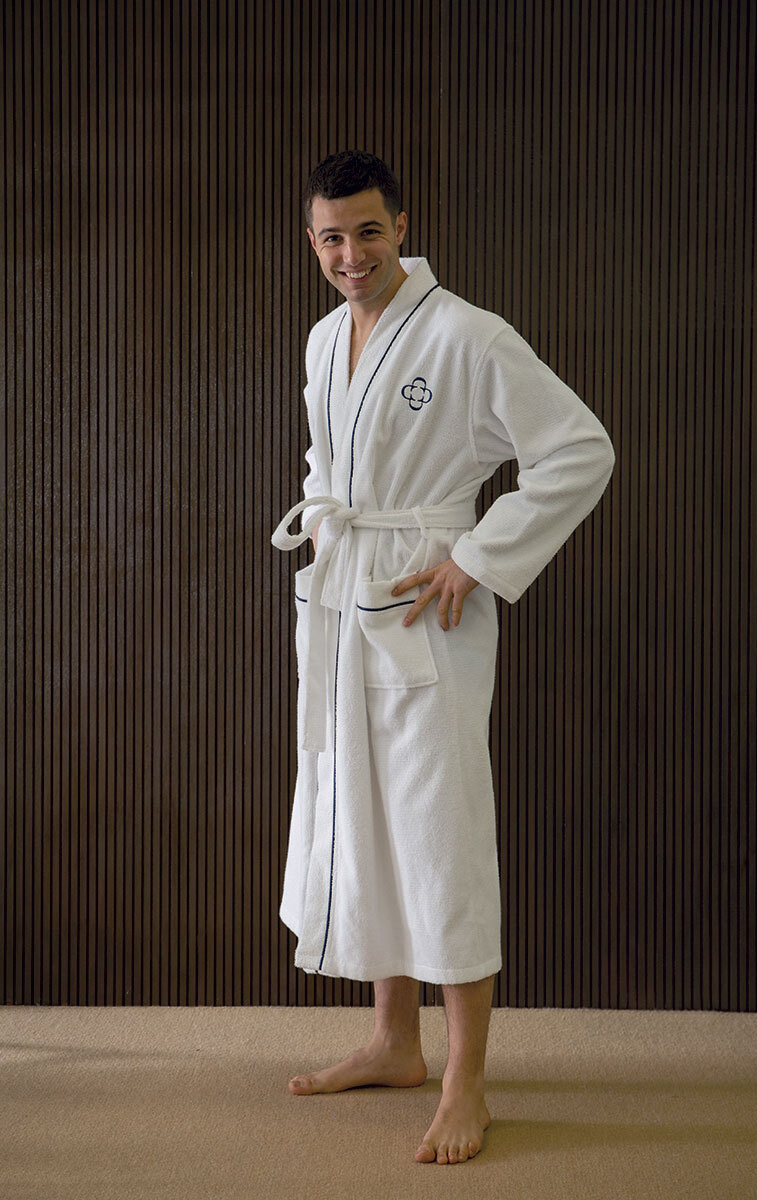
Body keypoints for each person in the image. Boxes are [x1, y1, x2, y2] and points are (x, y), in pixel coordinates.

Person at [271, 150, 615, 1165]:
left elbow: (578, 448)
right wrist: (326, 527)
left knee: (440, 832)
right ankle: (394, 1041)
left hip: (427, 609)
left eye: (368, 232)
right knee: (365, 817)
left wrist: (478, 556)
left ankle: (467, 1078)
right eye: (331, 237)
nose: (350, 255)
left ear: (402, 227)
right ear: (312, 241)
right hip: (346, 600)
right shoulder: (325, 336)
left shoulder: (468, 335)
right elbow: (327, 462)